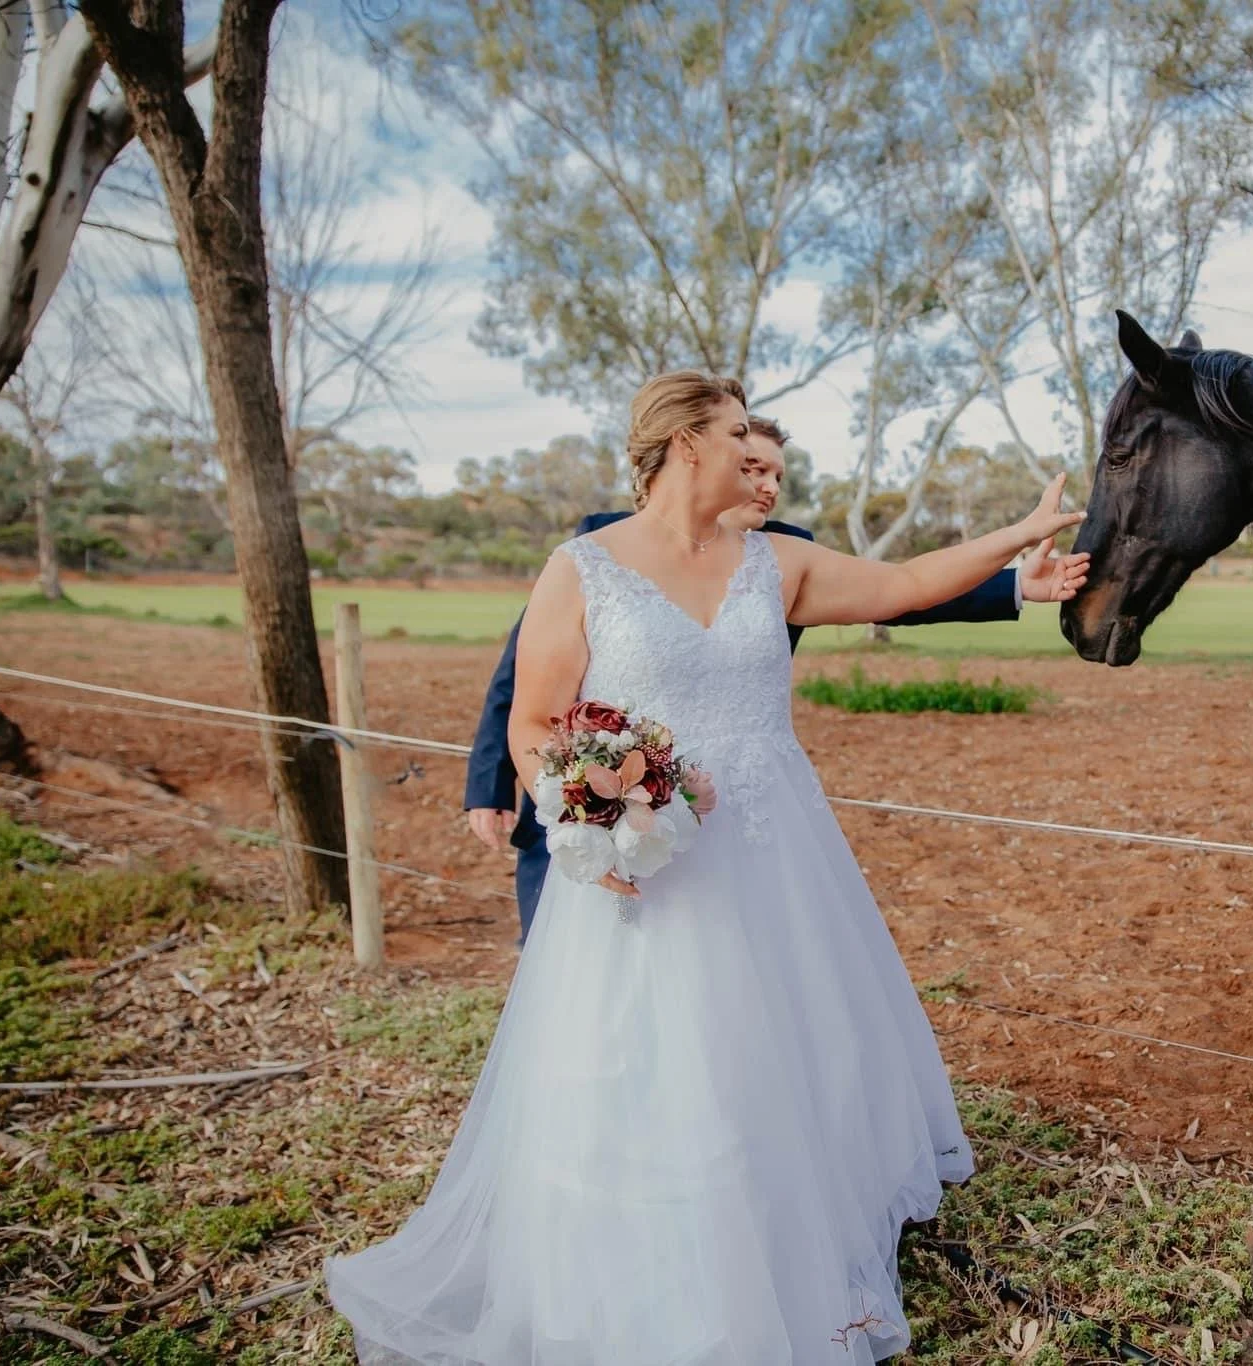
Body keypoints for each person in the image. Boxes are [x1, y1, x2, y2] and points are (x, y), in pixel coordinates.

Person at [327, 370, 1087, 1364]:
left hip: (774, 850)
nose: (757, 455)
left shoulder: (779, 564)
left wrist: (1011, 537)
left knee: (778, 1039)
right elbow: (535, 722)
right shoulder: (582, 566)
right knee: (646, 1058)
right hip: (641, 860)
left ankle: (785, 1232)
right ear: (686, 440)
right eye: (738, 433)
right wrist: (585, 819)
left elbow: (903, 584)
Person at [464, 415, 1076, 943]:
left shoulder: (782, 557)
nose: (768, 485)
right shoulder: (598, 552)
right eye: (751, 462)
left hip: (759, 822)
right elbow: (524, 691)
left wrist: (1017, 572)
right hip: (609, 815)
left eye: (778, 474)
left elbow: (902, 589)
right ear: (694, 451)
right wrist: (521, 793)